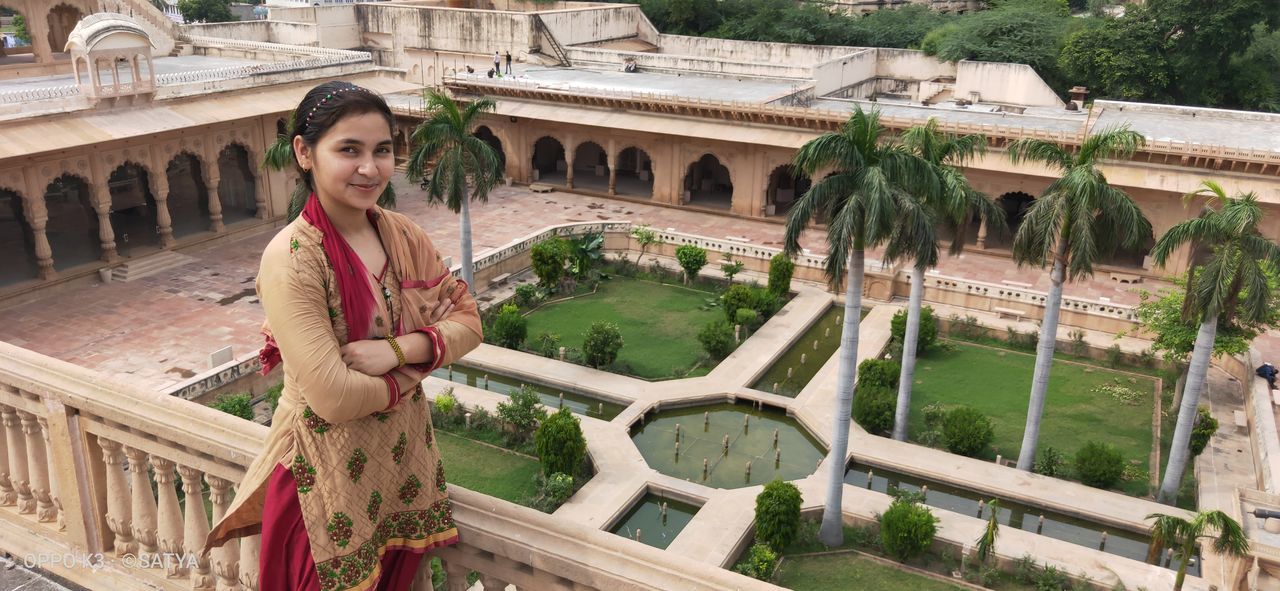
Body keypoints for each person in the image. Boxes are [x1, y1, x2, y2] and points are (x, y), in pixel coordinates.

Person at [204, 81, 483, 591]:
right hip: (323, 486)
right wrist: (414, 376)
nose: (370, 168)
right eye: (348, 150)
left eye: (382, 151)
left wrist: (397, 352)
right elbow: (333, 397)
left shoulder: (401, 233)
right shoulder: (295, 258)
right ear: (304, 153)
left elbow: (468, 321)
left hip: (400, 472)